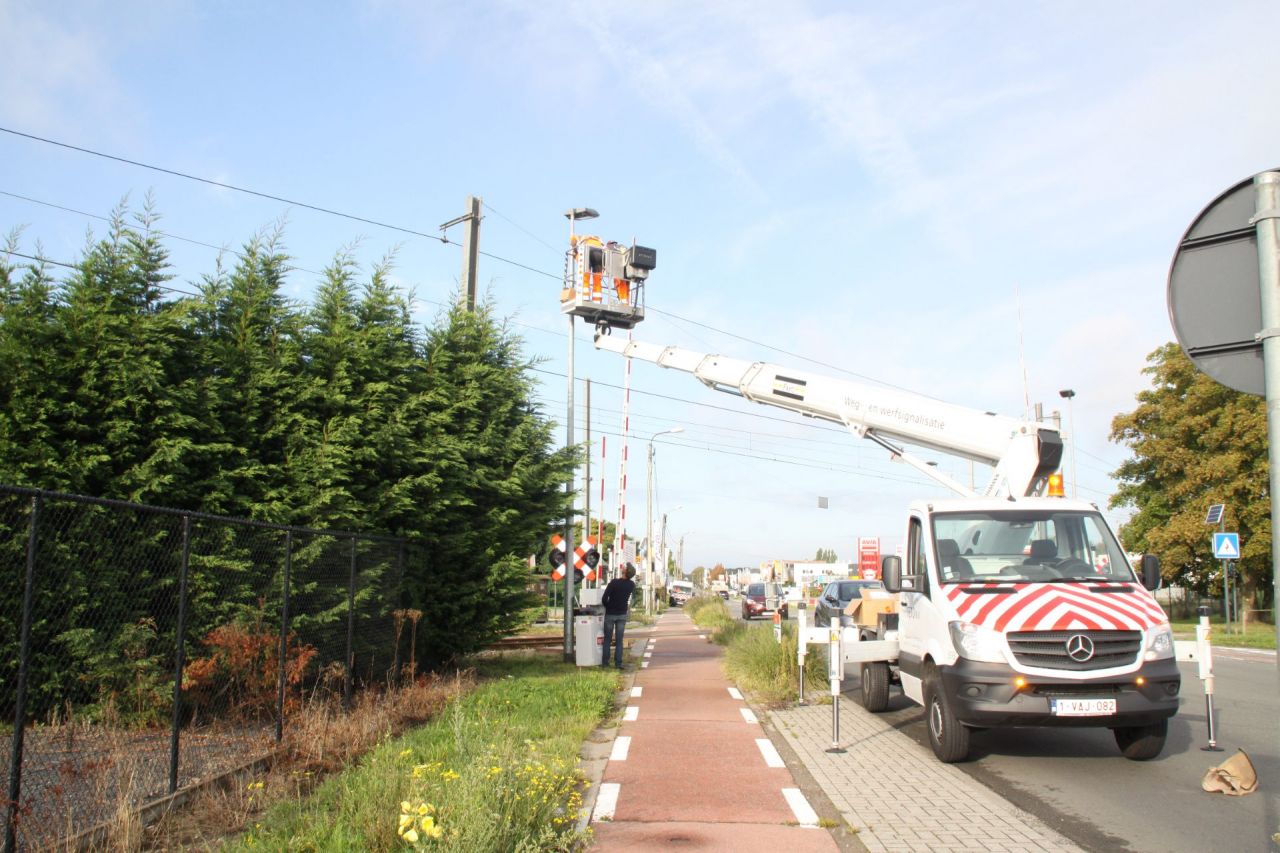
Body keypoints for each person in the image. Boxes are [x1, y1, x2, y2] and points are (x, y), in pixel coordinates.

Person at [601, 563, 637, 668]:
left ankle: (605, 663)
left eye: (625, 568)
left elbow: (604, 598)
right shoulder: (631, 585)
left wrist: (608, 607)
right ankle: (618, 663)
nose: (623, 568)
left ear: (625, 572)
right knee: (619, 640)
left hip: (610, 614)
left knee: (607, 639)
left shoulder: (614, 583)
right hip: (622, 614)